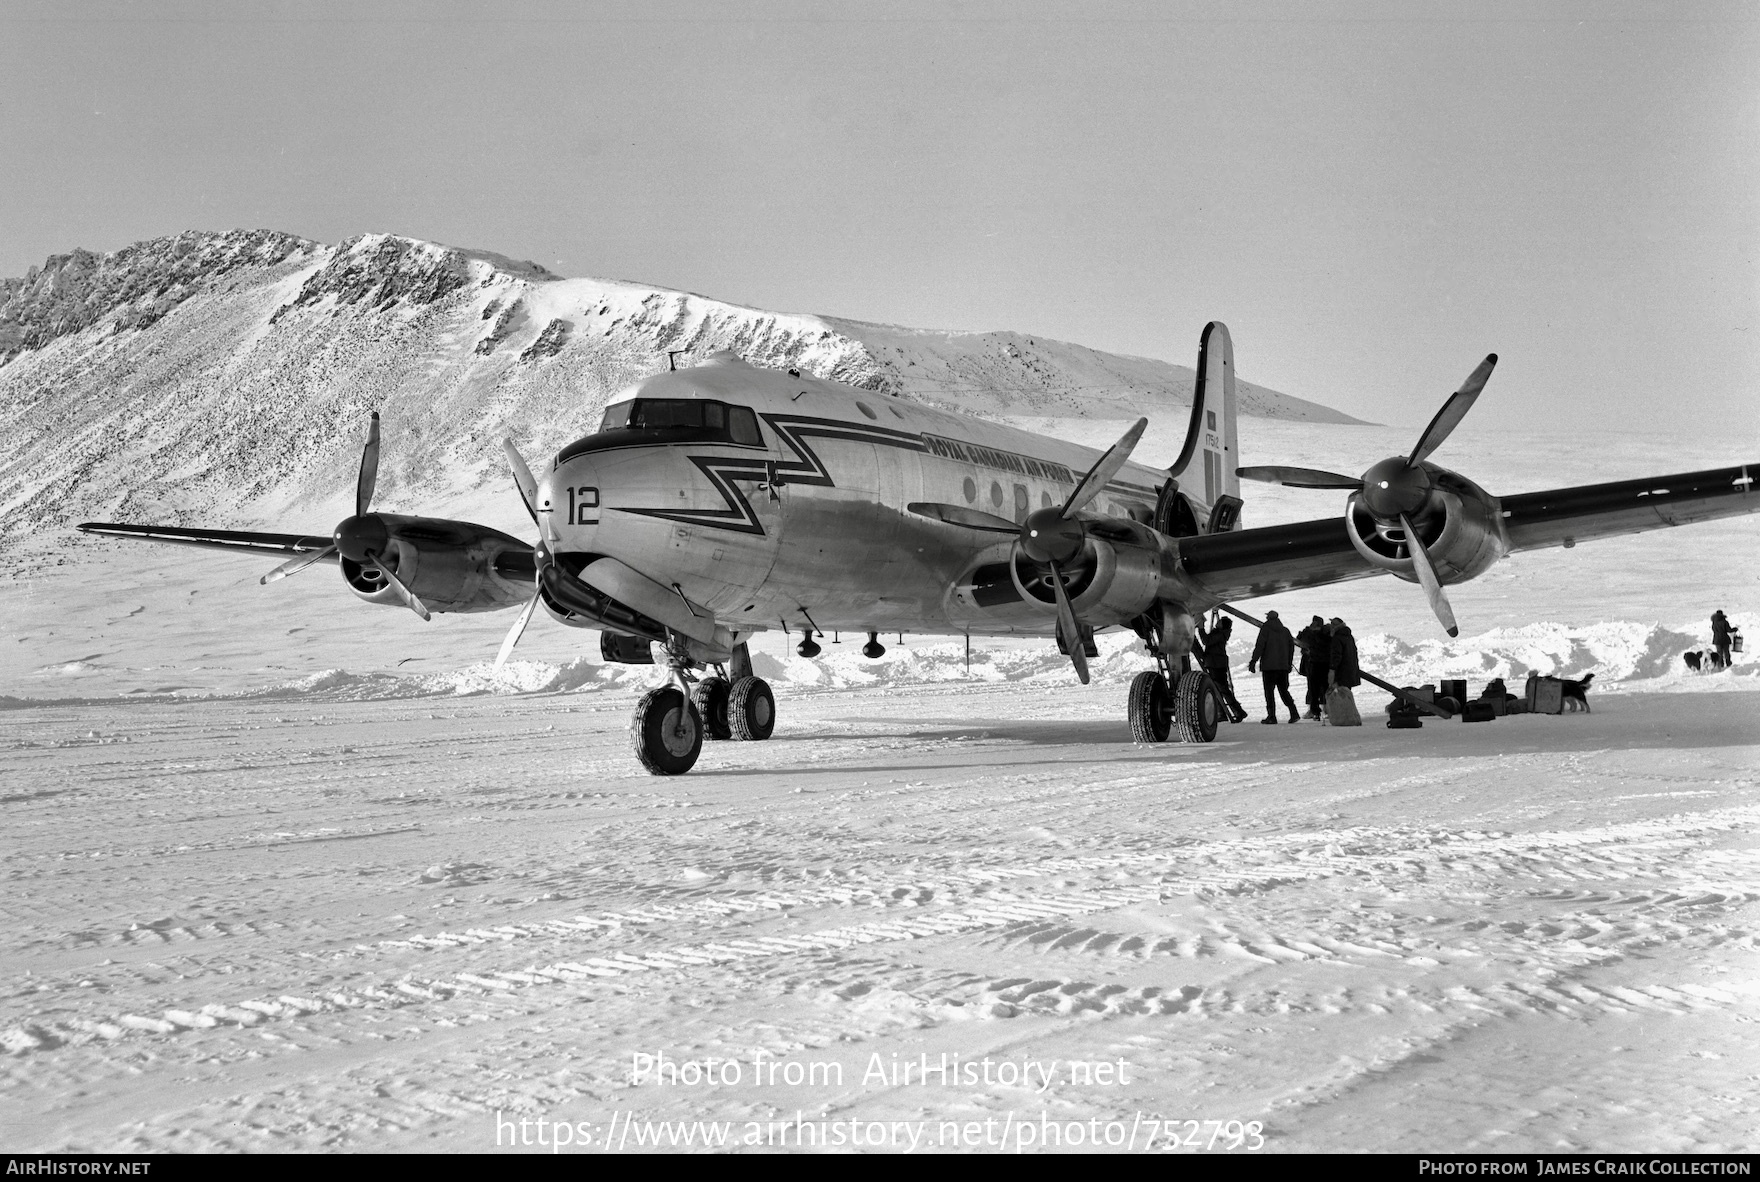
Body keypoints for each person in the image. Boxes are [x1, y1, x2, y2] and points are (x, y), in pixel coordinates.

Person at [1248, 609, 1300, 724]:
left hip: (1269, 667)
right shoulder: (1285, 631)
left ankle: (1272, 716)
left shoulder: (1266, 629)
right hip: (1282, 667)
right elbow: (1291, 648)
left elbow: (1260, 646)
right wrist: (1288, 663)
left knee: (1269, 693)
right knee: (1284, 691)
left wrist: (1253, 661)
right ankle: (1294, 713)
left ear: (1268, 618)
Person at [1198, 615, 1250, 724]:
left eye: (1220, 622)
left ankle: (1237, 712)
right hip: (1216, 663)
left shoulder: (1220, 634)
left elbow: (1206, 641)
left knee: (1222, 689)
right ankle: (1223, 713)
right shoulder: (1220, 633)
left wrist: (1201, 628)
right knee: (1219, 689)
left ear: (1223, 626)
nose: (1218, 622)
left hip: (1216, 664)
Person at [1296, 614, 1331, 719]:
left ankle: (1314, 711)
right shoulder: (1327, 633)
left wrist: (1308, 630)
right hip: (1325, 664)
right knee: (1324, 687)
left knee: (1313, 689)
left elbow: (1301, 640)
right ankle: (1326, 710)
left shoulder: (1311, 634)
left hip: (1314, 664)